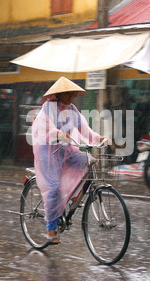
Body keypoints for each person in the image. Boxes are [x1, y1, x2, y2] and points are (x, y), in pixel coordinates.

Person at [31, 77, 105, 244]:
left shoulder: (72, 109)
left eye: (74, 93)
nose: (73, 96)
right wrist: (58, 134)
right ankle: (51, 228)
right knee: (54, 188)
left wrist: (99, 138)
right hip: (47, 151)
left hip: (65, 149)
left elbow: (84, 130)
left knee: (88, 161)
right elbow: (43, 127)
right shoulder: (48, 108)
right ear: (60, 94)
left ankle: (72, 200)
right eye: (69, 93)